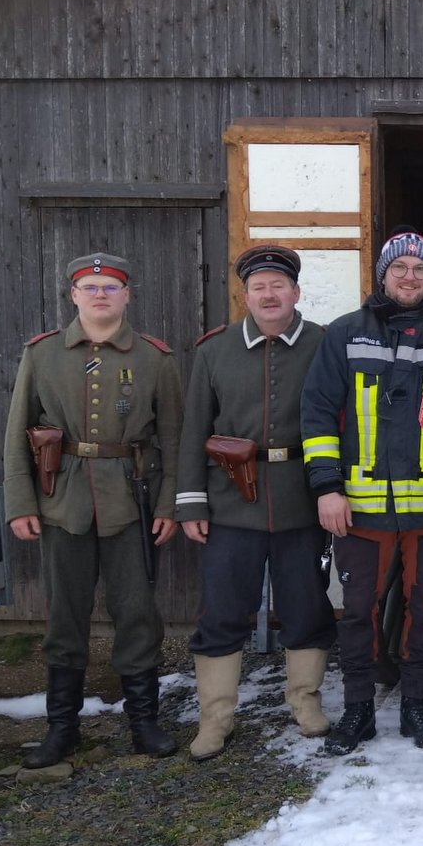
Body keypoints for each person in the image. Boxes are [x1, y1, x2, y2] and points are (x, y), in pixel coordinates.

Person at [301, 229, 423, 754]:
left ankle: (416, 705)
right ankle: (358, 707)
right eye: (400, 267)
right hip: (359, 509)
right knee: (358, 610)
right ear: (383, 275)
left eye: (419, 269)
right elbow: (317, 413)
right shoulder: (344, 334)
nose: (410, 277)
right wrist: (327, 488)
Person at [2, 252, 182, 768]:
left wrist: (169, 503)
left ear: (127, 295)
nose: (100, 295)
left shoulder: (155, 358)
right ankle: (62, 728)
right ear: (73, 295)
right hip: (63, 502)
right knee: (65, 616)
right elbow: (17, 433)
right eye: (90, 287)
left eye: (110, 287)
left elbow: (174, 438)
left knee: (138, 614)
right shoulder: (42, 354)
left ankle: (144, 723)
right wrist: (21, 502)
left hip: (132, 502)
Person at [174, 244, 336, 760]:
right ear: (245, 295)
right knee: (222, 611)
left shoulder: (324, 346)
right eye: (258, 287)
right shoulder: (214, 350)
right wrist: (191, 504)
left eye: (278, 285)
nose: (269, 295)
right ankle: (215, 718)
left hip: (301, 502)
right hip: (230, 503)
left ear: (296, 292)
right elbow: (194, 429)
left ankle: (305, 702)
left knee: (306, 606)